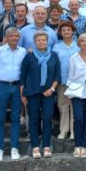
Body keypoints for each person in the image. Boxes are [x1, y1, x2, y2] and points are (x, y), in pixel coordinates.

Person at [0, 27, 26, 162]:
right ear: (6, 37)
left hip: (16, 87)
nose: (14, 38)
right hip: (1, 86)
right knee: (0, 118)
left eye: (16, 36)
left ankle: (14, 147)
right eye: (11, 36)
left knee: (16, 118)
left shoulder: (23, 51)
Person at [20, 31, 60, 159]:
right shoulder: (29, 56)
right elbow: (23, 76)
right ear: (35, 42)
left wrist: (52, 89)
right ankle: (35, 146)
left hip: (48, 93)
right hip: (32, 92)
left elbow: (58, 75)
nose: (41, 42)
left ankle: (47, 145)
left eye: (44, 40)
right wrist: (23, 94)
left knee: (47, 118)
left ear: (47, 41)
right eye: (39, 40)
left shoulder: (54, 55)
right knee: (34, 119)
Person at [52, 21, 79, 140]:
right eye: (64, 30)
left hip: (76, 81)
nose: (66, 32)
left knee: (74, 106)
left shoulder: (78, 45)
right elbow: (53, 64)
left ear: (73, 31)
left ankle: (74, 131)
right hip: (61, 81)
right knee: (62, 106)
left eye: (69, 30)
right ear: (60, 33)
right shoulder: (57, 46)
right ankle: (64, 130)